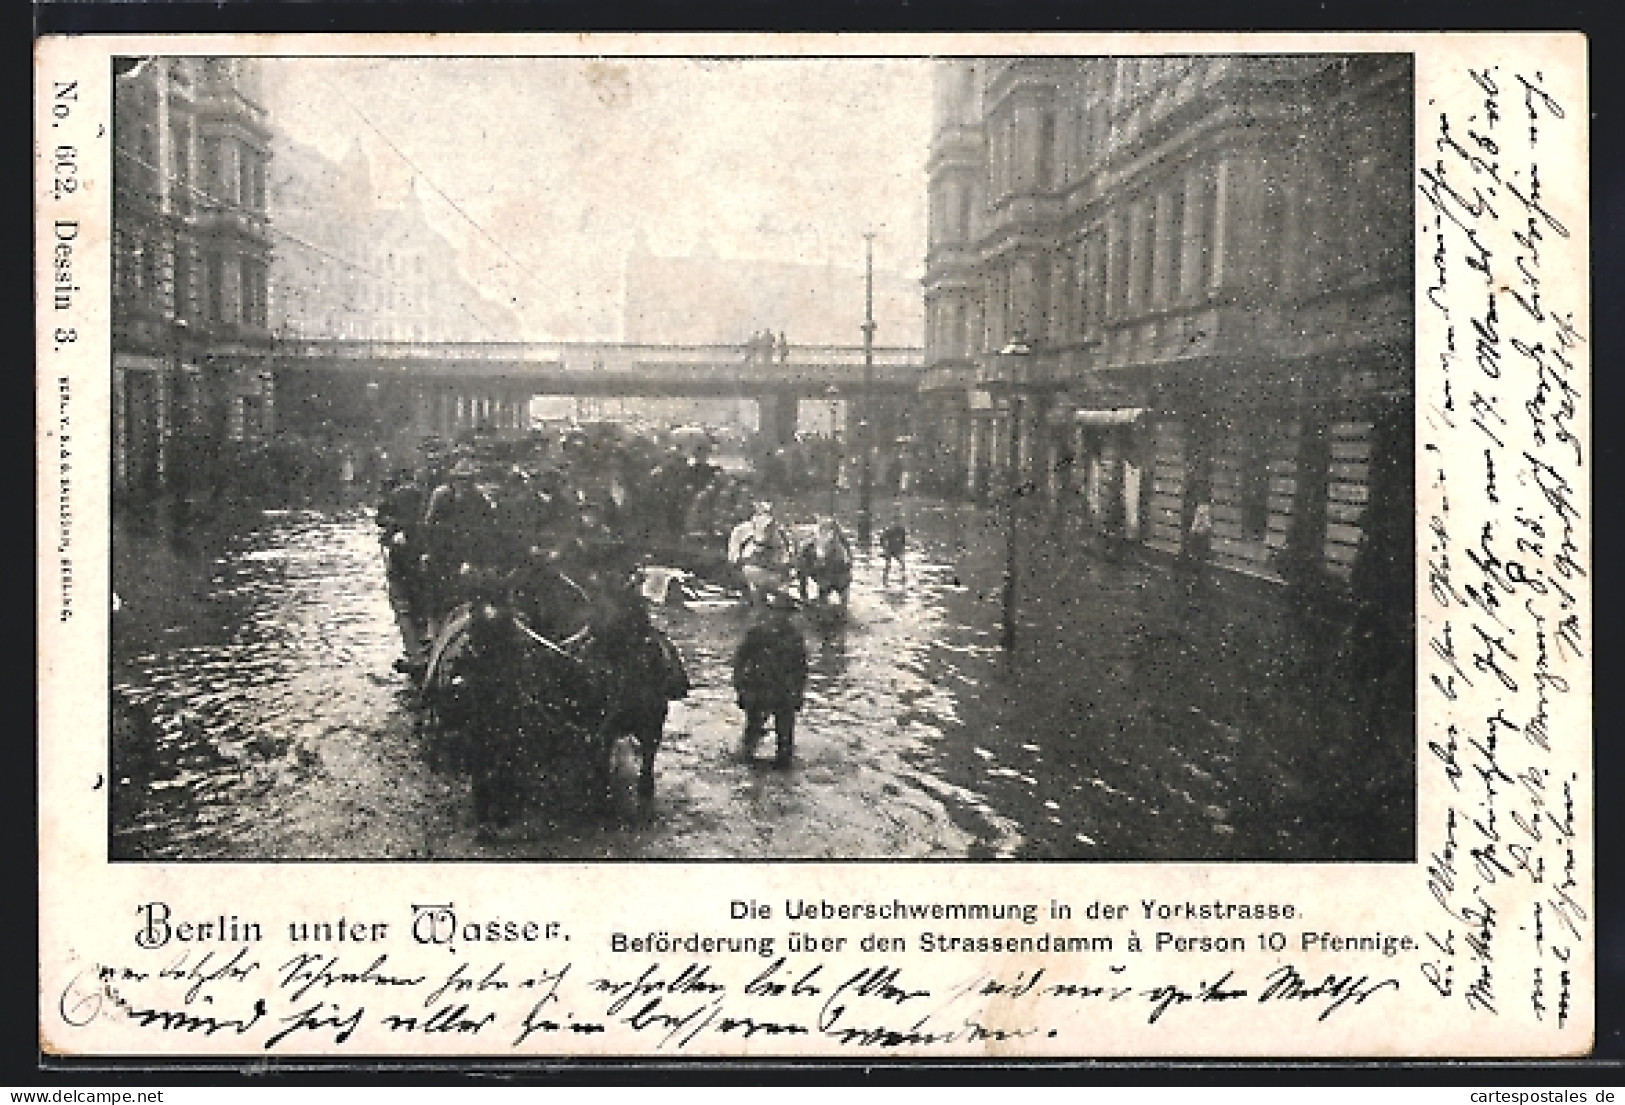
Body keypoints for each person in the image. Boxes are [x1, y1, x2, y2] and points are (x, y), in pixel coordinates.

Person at [732, 589, 808, 767]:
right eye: (779, 611)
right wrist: (740, 687)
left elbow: (801, 668)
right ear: (772, 611)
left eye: (786, 613)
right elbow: (740, 660)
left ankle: (782, 770)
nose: (782, 617)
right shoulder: (758, 633)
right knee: (751, 736)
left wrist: (799, 693)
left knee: (785, 742)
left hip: (784, 693)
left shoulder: (794, 637)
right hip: (759, 689)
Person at [727, 501, 792, 602]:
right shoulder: (741, 531)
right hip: (750, 573)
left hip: (774, 575)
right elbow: (733, 557)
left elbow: (786, 556)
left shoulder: (780, 534)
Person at [879, 518, 907, 585]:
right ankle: (885, 578)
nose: (896, 523)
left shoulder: (901, 530)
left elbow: (903, 540)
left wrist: (902, 547)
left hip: (896, 549)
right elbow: (882, 538)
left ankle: (902, 577)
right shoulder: (890, 531)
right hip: (890, 549)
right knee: (888, 564)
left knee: (901, 563)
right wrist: (884, 547)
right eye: (895, 522)